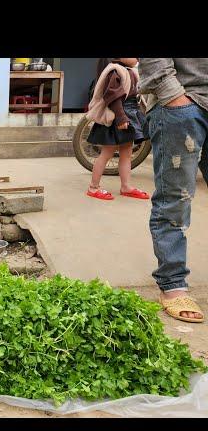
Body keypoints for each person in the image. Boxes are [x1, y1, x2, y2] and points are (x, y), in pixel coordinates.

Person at [138, 58, 208, 323]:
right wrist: (172, 95)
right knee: (175, 201)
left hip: (184, 104)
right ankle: (173, 283)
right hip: (184, 103)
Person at [85, 58, 150, 201]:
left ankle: (126, 186)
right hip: (117, 116)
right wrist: (121, 118)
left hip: (129, 114)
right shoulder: (115, 71)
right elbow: (112, 96)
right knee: (107, 153)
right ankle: (93, 187)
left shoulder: (129, 71)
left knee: (127, 153)